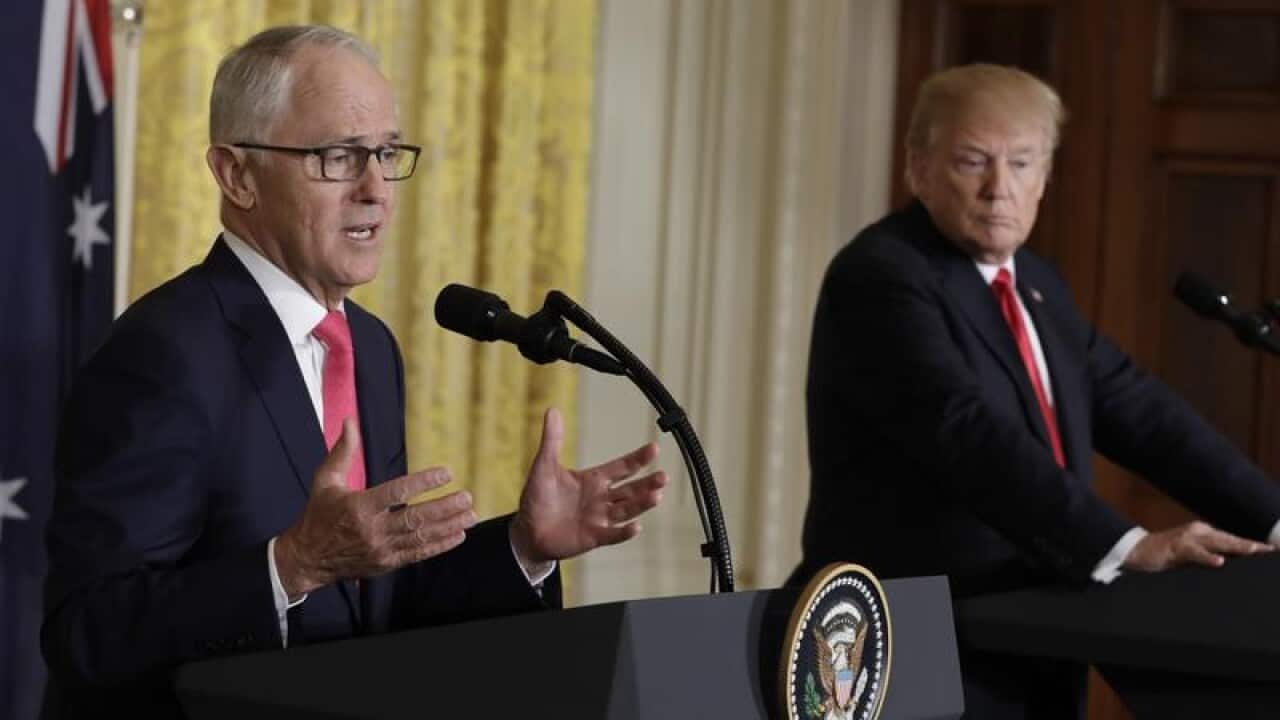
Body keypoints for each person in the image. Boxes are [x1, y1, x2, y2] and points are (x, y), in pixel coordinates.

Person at [41, 25, 666, 717]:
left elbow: (375, 607)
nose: (376, 189)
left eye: (387, 152)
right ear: (236, 174)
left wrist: (523, 545)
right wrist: (292, 565)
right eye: (339, 157)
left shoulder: (367, 347)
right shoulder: (163, 352)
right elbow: (88, 631)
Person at [790, 63, 1280, 717]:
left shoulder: (1037, 287)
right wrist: (1129, 546)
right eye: (973, 161)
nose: (1000, 189)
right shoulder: (882, 276)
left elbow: (1141, 411)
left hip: (1036, 631)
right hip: (921, 641)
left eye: (1022, 164)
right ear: (917, 167)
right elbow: (963, 429)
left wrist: (1272, 517)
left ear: (1045, 176)